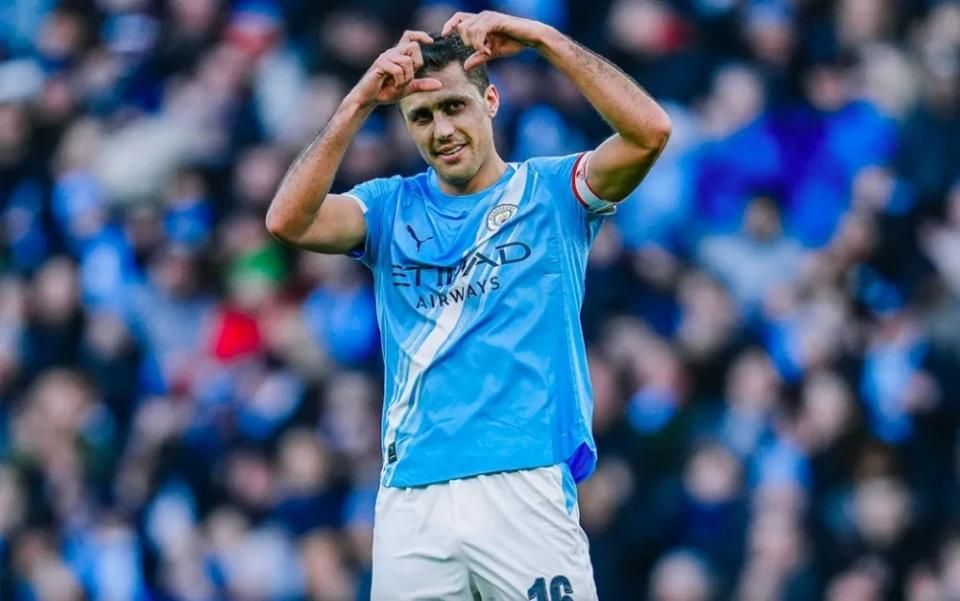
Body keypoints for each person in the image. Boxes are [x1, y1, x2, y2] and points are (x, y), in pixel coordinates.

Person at [265, 10, 671, 600]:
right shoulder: (387, 207)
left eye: (454, 106)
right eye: (421, 116)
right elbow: (287, 220)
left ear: (491, 101)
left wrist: (544, 39)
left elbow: (650, 133)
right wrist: (358, 102)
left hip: (523, 481)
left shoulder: (552, 191)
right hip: (412, 494)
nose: (442, 130)